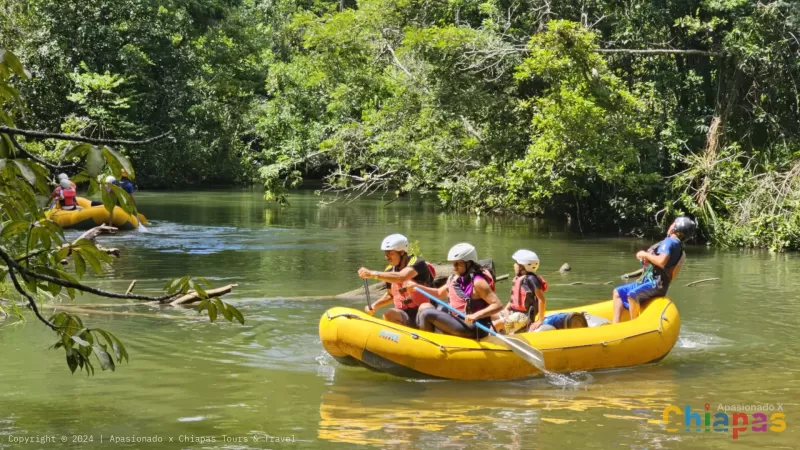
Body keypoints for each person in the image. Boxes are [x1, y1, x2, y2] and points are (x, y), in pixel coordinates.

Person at [612, 216, 696, 323]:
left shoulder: (669, 242)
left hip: (655, 284)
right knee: (618, 292)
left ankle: (634, 325)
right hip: (659, 285)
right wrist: (651, 262)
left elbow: (661, 261)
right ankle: (615, 326)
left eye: (672, 224)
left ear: (675, 227)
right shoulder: (681, 251)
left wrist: (645, 255)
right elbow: (672, 275)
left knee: (633, 295)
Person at [410, 243, 503, 339]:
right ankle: (428, 337)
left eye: (459, 263)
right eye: (454, 263)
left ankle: (427, 344)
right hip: (457, 319)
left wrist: (475, 315)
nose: (454, 266)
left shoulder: (478, 282)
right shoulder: (454, 278)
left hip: (473, 325)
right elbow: (438, 293)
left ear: (469, 263)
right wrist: (418, 287)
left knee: (427, 314)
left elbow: (498, 305)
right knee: (424, 307)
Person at [358, 234, 435, 328]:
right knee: (388, 314)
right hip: (406, 314)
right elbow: (391, 295)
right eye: (386, 253)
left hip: (425, 311)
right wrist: (374, 306)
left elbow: (401, 277)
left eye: (390, 253)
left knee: (425, 308)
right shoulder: (389, 270)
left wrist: (372, 273)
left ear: (402, 252)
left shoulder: (418, 263)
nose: (387, 257)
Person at [492, 249, 548, 334]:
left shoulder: (531, 279)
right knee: (489, 316)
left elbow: (541, 299)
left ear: (522, 266)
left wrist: (540, 320)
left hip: (523, 316)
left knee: (496, 325)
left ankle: (487, 343)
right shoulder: (520, 278)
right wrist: (507, 308)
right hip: (513, 312)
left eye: (516, 263)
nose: (514, 265)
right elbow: (516, 297)